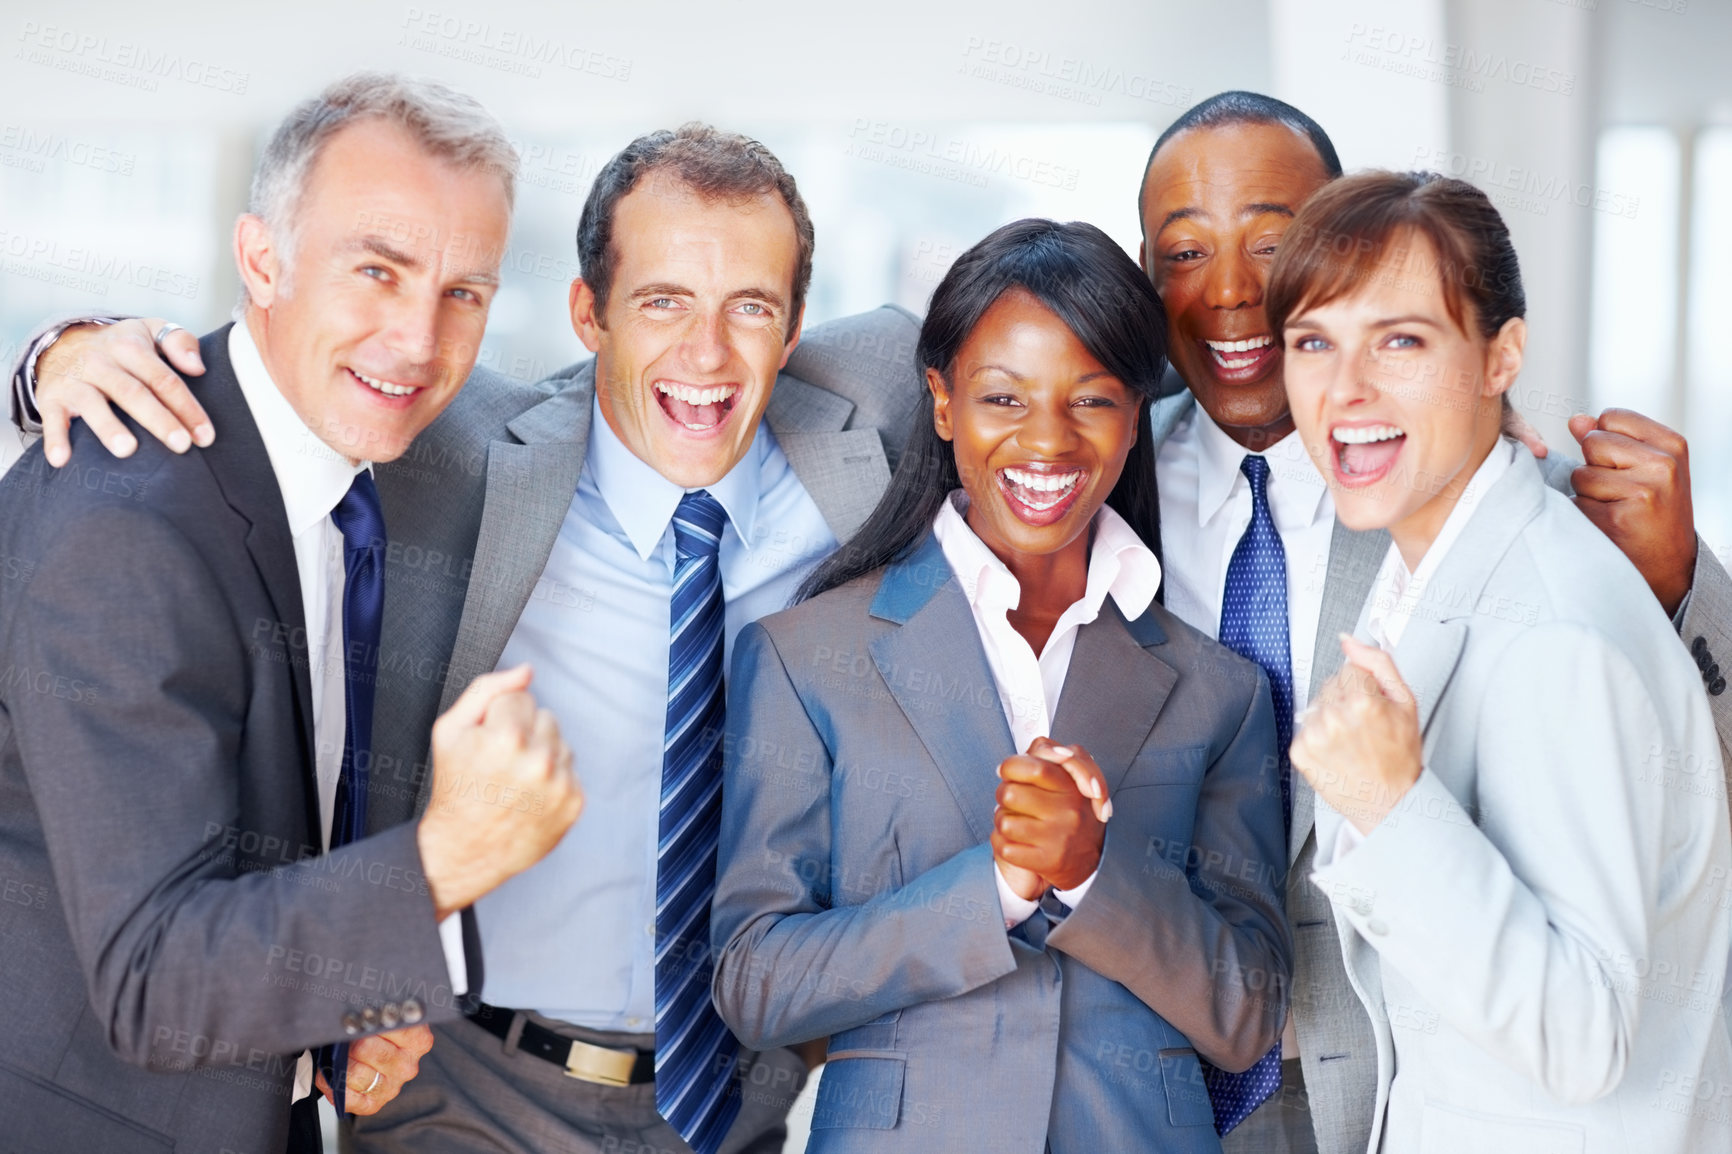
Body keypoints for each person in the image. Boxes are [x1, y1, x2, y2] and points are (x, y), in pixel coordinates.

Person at [3, 123, 927, 1153]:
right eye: (661, 299)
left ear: (796, 323)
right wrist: (61, 354)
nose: (705, 352)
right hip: (466, 1087)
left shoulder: (875, 420)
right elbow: (288, 373)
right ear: (589, 311)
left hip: (730, 1098)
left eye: (749, 306)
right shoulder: (454, 452)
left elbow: (1071, 366)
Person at [1127, 90, 1732, 1154]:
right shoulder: (1090, 465)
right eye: (1315, 340)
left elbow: (1585, 1004)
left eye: (1397, 337)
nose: (1229, 291)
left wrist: (1680, 581)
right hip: (1171, 1071)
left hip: (1377, 1077)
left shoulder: (1554, 542)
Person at [0, 73, 585, 1154]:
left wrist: (335, 1006)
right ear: (261, 259)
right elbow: (152, 976)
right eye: (377, 269)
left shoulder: (364, 455)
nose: (417, 339)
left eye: (465, 292)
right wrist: (443, 861)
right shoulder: (128, 523)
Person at [711, 218, 1290, 1152]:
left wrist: (1095, 877)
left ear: (1136, 414)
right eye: (1003, 399)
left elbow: (1248, 1012)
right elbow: (756, 982)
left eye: (1092, 401)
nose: (1047, 441)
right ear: (942, 403)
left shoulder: (1217, 689)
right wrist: (1000, 886)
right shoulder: (807, 655)